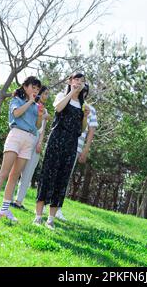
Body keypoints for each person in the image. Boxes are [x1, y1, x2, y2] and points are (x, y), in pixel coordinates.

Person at [33, 72, 90, 230]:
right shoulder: (61, 95)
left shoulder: (83, 103)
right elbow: (58, 108)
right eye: (76, 79)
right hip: (56, 140)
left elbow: (82, 129)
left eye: (82, 81)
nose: (79, 82)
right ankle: (38, 216)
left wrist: (85, 117)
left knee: (62, 179)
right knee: (47, 175)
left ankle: (50, 219)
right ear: (70, 81)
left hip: (71, 144)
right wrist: (71, 92)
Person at [0, 76, 43, 222]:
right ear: (25, 86)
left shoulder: (36, 106)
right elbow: (16, 114)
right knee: (4, 172)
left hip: (29, 139)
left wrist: (40, 116)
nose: (35, 91)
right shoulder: (17, 99)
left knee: (15, 175)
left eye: (37, 89)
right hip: (16, 136)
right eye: (33, 87)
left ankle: (4, 209)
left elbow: (36, 126)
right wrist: (30, 101)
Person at [55, 83, 98, 221]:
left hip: (76, 147)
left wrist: (86, 149)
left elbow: (91, 131)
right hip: (59, 142)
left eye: (85, 91)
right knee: (53, 172)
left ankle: (58, 208)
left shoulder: (90, 109)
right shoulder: (68, 101)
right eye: (81, 89)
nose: (82, 92)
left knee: (64, 177)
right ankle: (45, 203)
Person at [10, 86, 51, 210]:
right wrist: (42, 116)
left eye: (47, 94)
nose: (46, 96)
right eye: (44, 93)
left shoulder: (45, 110)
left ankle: (19, 201)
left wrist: (40, 143)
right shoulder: (30, 105)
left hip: (36, 142)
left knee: (28, 174)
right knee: (16, 170)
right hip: (26, 137)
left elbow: (42, 129)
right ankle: (9, 198)